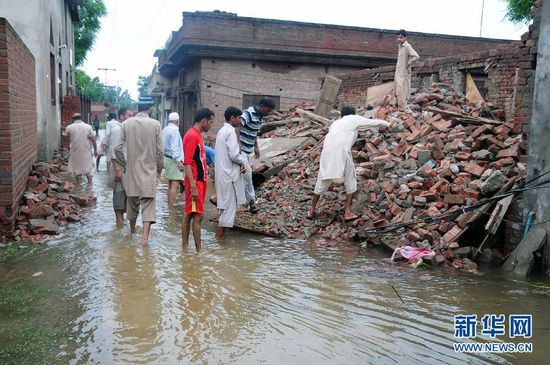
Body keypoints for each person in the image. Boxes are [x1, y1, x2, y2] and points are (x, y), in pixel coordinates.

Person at [308, 106, 390, 221]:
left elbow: (358, 128)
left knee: (321, 181)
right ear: (353, 113)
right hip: (342, 152)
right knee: (350, 181)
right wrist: (388, 123)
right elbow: (372, 122)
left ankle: (311, 210)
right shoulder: (353, 118)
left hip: (326, 154)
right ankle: (347, 212)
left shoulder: (335, 124)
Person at [114, 97, 163, 245]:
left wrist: (125, 164)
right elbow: (160, 151)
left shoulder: (126, 124)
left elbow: (117, 148)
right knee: (148, 204)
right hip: (149, 170)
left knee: (132, 203)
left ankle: (133, 232)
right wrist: (159, 169)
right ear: (150, 108)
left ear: (138, 107)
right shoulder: (155, 124)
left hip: (132, 170)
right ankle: (144, 239)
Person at [182, 108, 214, 250]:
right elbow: (187, 162)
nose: (211, 125)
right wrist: (193, 186)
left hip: (199, 181)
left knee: (190, 213)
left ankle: (187, 247)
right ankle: (198, 251)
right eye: (211, 122)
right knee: (196, 216)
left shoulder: (197, 135)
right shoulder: (192, 136)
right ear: (204, 120)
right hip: (195, 181)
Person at [214, 107, 248, 241]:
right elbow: (234, 155)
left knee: (224, 209)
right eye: (239, 118)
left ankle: (221, 241)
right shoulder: (230, 132)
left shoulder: (221, 131)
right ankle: (219, 241)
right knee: (228, 211)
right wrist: (243, 162)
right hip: (229, 176)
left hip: (222, 175)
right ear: (232, 118)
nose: (240, 121)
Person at [239, 97, 275, 213]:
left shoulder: (259, 117)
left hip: (247, 152)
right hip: (241, 152)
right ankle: (252, 203)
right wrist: (237, 143)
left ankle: (217, 199)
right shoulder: (249, 113)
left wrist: (256, 147)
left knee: (240, 178)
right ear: (261, 106)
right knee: (248, 177)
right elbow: (238, 125)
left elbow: (254, 133)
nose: (268, 113)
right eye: (267, 110)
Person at [110, 107, 134, 225]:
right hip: (119, 167)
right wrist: (117, 169)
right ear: (121, 116)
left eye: (132, 115)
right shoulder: (117, 130)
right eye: (129, 115)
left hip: (126, 168)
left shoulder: (126, 129)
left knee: (126, 195)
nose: (131, 118)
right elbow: (113, 151)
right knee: (119, 196)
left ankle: (122, 223)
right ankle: (119, 223)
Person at [63, 112, 97, 184]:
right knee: (89, 170)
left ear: (73, 119)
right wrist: (95, 150)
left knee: (77, 170)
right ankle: (89, 186)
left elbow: (65, 137)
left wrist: (67, 147)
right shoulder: (88, 127)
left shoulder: (69, 127)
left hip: (75, 151)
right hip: (86, 151)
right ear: (81, 118)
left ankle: (79, 185)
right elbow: (93, 139)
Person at [162, 112, 185, 207]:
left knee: (170, 184)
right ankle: (171, 209)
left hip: (167, 159)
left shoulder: (165, 129)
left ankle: (169, 206)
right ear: (177, 121)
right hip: (173, 160)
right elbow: (175, 147)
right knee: (175, 185)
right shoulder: (175, 130)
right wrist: (179, 161)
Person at [394, 29, 419, 110]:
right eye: (397, 37)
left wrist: (409, 62)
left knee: (403, 88)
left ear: (405, 38)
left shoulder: (407, 46)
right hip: (399, 70)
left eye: (401, 37)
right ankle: (398, 105)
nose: (399, 39)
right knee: (398, 87)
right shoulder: (400, 46)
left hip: (404, 71)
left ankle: (403, 106)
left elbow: (416, 56)